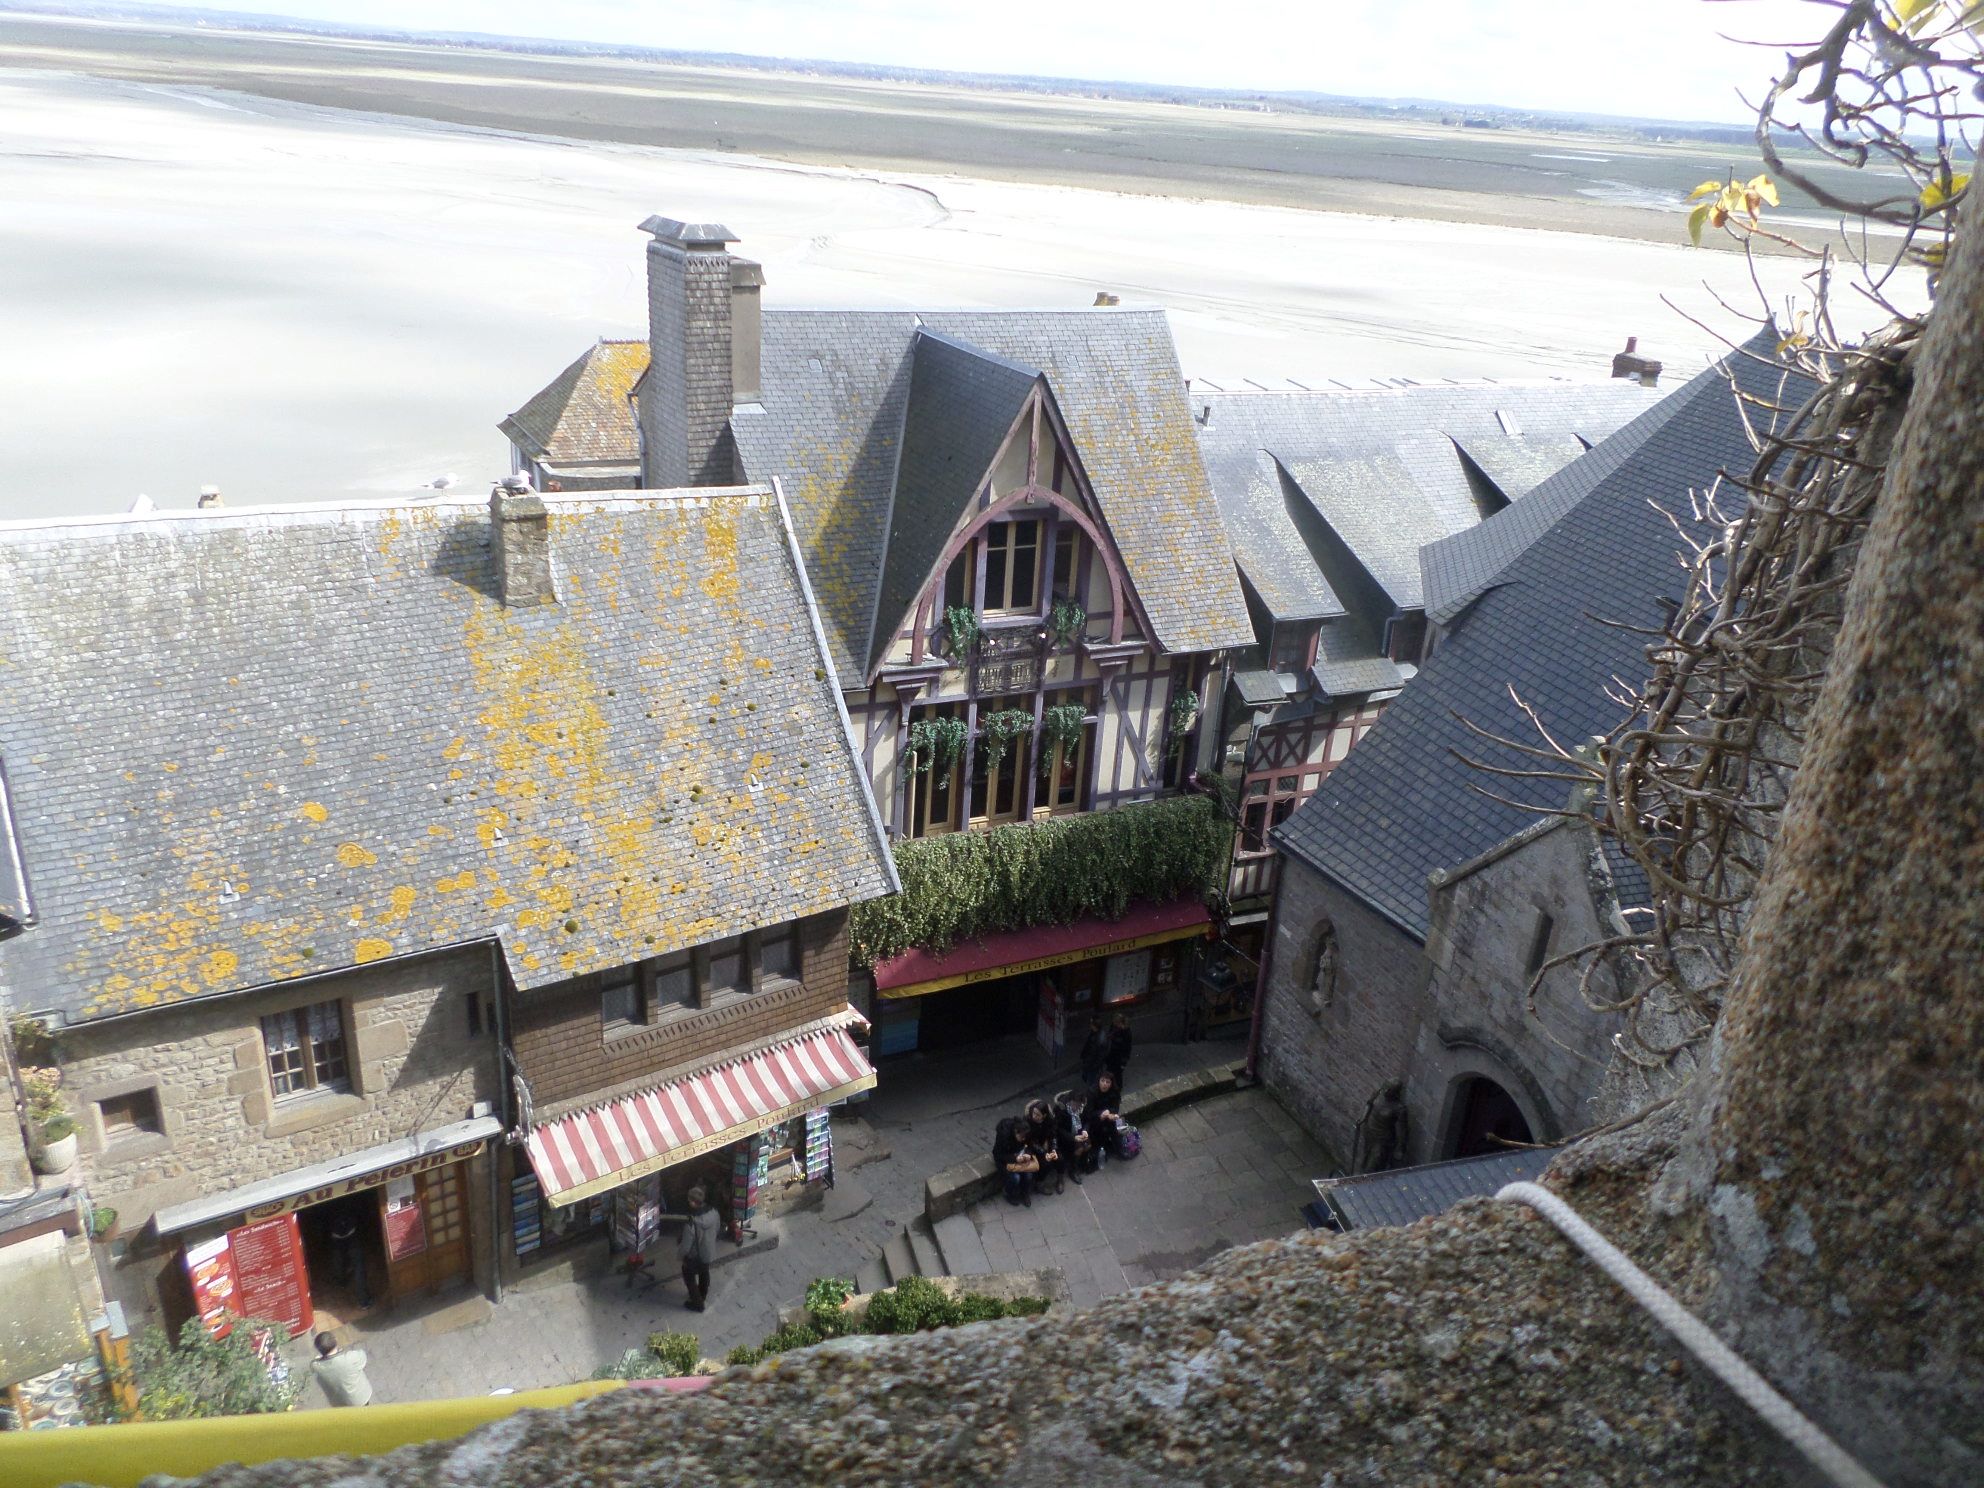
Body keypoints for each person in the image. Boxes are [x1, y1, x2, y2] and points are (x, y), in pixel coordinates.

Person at [677, 1185, 720, 1312]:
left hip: (694, 1255)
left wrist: (680, 1256)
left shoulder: (692, 1223)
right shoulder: (714, 1213)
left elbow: (686, 1246)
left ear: (693, 1202)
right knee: (704, 1272)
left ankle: (697, 1303)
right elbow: (717, 1229)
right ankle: (703, 1294)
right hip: (708, 1251)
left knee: (688, 1276)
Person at [309, 1331, 373, 1408]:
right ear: (336, 1341)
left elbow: (313, 1364)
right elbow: (362, 1356)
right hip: (359, 1399)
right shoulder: (349, 1358)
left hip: (340, 1403)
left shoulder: (316, 1366)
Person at [328, 1205, 372, 1309]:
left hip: (336, 1237)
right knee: (358, 1268)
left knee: (338, 1260)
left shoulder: (329, 1209)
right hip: (352, 1235)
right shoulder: (349, 1205)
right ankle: (364, 1301)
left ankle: (341, 1282)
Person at [992, 1116, 1038, 1206]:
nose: (1023, 1139)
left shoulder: (1025, 1132)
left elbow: (1029, 1146)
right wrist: (1014, 1159)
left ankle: (1025, 1193)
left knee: (1029, 1174)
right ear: (1016, 1132)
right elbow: (998, 1154)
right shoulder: (1004, 1135)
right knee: (1015, 1178)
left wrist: (1028, 1154)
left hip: (1020, 1157)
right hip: (1005, 1160)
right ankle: (1009, 1194)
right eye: (1022, 1137)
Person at [1022, 1100, 1065, 1196]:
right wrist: (1043, 1152)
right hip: (1033, 1148)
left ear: (1044, 1116)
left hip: (1047, 1144)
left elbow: (1053, 1135)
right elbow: (1030, 1141)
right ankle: (1039, 1184)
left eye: (1038, 1115)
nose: (1034, 1116)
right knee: (1045, 1163)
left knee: (1059, 1157)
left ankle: (1060, 1179)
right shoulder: (1028, 1122)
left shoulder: (1049, 1121)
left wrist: (1053, 1148)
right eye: (1034, 1113)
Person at [1085, 1071, 1125, 1163]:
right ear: (1098, 1081)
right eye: (1102, 1081)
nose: (1104, 1084)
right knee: (1100, 1129)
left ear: (1111, 1084)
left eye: (1108, 1082)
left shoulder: (1114, 1091)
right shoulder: (1091, 1092)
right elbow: (1088, 1113)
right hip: (1095, 1119)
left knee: (1120, 1123)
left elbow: (1115, 1107)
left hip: (1109, 1116)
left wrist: (1111, 1114)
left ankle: (1120, 1148)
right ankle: (1099, 1149)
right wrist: (1101, 1114)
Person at [1054, 1091, 1094, 1180]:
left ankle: (1083, 1163)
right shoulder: (1061, 1110)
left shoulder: (1083, 1107)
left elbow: (1087, 1120)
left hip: (1079, 1131)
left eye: (1079, 1105)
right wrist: (1072, 1137)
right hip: (1066, 1136)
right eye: (1075, 1105)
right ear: (1070, 1101)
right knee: (1079, 1149)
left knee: (1088, 1145)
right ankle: (1073, 1170)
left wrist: (1085, 1130)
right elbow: (1058, 1128)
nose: (1076, 1108)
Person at [1078, 1014, 1107, 1087]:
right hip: (1089, 1062)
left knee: (1091, 1083)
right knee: (1085, 1077)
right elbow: (1088, 1045)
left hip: (1093, 1066)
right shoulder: (1094, 1033)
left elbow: (1100, 1056)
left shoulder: (1101, 1039)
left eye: (1091, 1023)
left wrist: (1093, 1066)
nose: (1089, 1025)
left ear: (1094, 1025)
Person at [1105, 1012, 1133, 1086]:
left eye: (1116, 1023)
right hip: (1113, 1052)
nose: (1115, 1025)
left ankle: (1117, 1087)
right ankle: (1110, 1084)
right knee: (1109, 1069)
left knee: (1117, 1073)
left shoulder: (1126, 1032)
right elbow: (1110, 1033)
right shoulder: (1114, 1026)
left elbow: (1127, 1047)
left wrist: (1123, 1062)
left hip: (1120, 1056)